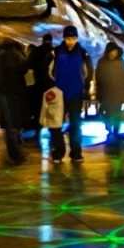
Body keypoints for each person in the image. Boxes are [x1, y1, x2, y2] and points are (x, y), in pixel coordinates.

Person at [48, 26, 93, 162]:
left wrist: (85, 88)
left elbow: (89, 73)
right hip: (59, 93)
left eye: (73, 38)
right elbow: (47, 70)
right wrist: (52, 86)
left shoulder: (83, 53)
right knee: (56, 124)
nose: (70, 41)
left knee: (76, 124)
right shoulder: (55, 52)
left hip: (75, 93)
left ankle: (76, 152)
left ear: (77, 38)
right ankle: (58, 152)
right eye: (68, 38)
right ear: (64, 38)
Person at [0, 38, 29, 164]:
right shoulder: (18, 56)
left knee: (8, 124)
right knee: (12, 123)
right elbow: (24, 71)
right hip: (14, 92)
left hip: (3, 92)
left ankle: (14, 154)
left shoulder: (0, 54)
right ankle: (15, 154)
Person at [95, 41, 124, 144]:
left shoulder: (120, 62)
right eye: (113, 51)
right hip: (106, 93)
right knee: (108, 112)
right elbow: (99, 77)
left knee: (117, 113)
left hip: (117, 93)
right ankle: (109, 129)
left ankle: (115, 132)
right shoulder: (102, 62)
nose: (114, 53)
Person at [25, 33, 55, 138]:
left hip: (38, 83)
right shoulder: (54, 51)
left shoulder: (36, 51)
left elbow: (29, 65)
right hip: (51, 84)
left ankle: (38, 129)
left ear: (43, 40)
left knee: (38, 107)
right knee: (51, 107)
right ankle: (52, 130)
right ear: (51, 40)